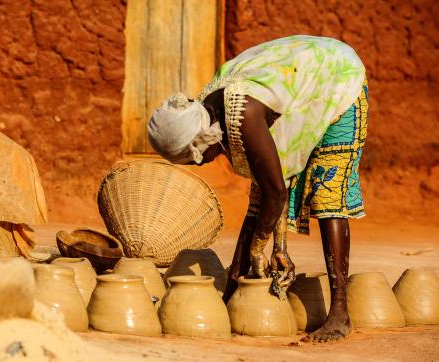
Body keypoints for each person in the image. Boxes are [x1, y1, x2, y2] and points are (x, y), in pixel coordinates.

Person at [147, 35, 368, 342]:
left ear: (201, 141)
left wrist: (258, 251)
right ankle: (236, 284)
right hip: (304, 85)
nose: (206, 163)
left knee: (327, 196)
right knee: (261, 192)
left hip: (338, 80)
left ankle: (340, 313)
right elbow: (264, 195)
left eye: (197, 160)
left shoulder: (243, 114)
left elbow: (276, 193)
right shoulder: (211, 110)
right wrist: (234, 283)